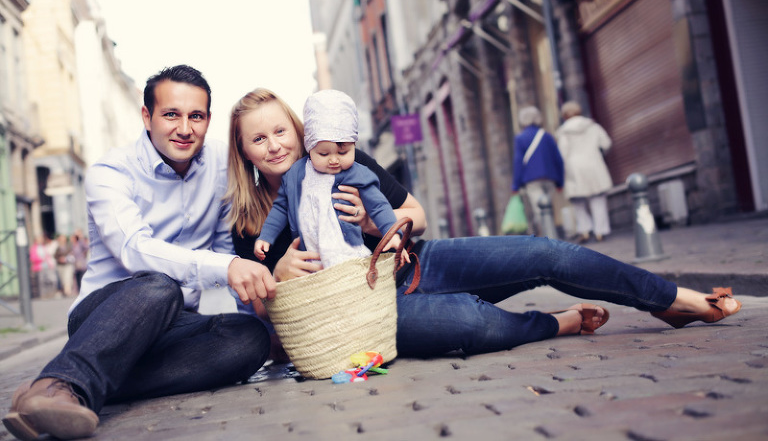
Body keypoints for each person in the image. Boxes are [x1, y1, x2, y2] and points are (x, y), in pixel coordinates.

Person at [225, 87, 742, 361]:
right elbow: (265, 317)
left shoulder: (344, 159)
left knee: (542, 251)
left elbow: (417, 216)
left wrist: (371, 222)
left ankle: (670, 300)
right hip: (376, 314)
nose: (274, 146)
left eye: (280, 131)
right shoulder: (248, 225)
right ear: (244, 151)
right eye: (258, 139)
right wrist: (279, 276)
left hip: (420, 265)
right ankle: (556, 323)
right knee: (470, 323)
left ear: (301, 131)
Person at [2, 65, 275, 441]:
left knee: (250, 338)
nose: (184, 128)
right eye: (171, 114)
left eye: (196, 116)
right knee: (160, 286)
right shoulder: (111, 172)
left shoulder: (221, 165)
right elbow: (134, 249)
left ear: (208, 120)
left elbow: (225, 247)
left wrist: (260, 313)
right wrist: (226, 266)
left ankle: (62, 387)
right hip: (104, 318)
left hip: (175, 326)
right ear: (147, 116)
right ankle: (62, 384)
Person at [255, 89, 401, 268]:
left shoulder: (358, 173)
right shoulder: (295, 174)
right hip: (312, 259)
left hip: (348, 254)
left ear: (353, 146)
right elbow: (280, 208)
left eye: (343, 152)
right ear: (309, 148)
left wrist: (392, 233)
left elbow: (379, 206)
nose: (333, 160)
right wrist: (266, 236)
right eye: (323, 154)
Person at [556, 100, 613, 243]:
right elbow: (606, 143)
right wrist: (598, 153)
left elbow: (562, 153)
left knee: (578, 202)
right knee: (598, 199)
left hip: (574, 168)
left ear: (564, 115)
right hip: (594, 164)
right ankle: (600, 231)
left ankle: (585, 230)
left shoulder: (564, 132)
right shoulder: (593, 126)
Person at [511, 105, 564, 236]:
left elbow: (518, 162)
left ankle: (547, 237)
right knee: (549, 206)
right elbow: (558, 159)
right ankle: (552, 235)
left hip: (532, 179)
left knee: (539, 209)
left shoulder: (520, 138)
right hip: (550, 177)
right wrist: (560, 182)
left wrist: (516, 185)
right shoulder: (547, 136)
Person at [70, 229, 89, 294]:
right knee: (77, 277)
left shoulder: (80, 243)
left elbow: (87, 247)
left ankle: (83, 290)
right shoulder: (73, 245)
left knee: (82, 276)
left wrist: (84, 254)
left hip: (81, 263)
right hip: (75, 263)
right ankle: (79, 291)